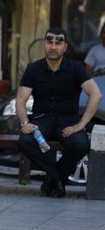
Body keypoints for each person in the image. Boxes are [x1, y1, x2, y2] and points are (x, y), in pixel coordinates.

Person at [16, 27, 102, 198]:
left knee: (81, 144)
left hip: (68, 120)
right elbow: (20, 100)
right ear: (45, 44)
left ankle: (52, 178)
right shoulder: (33, 68)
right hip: (42, 119)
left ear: (65, 46)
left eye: (58, 42)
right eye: (50, 42)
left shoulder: (76, 68)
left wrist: (81, 124)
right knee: (26, 141)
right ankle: (57, 178)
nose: (53, 46)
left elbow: (96, 95)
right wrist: (25, 123)